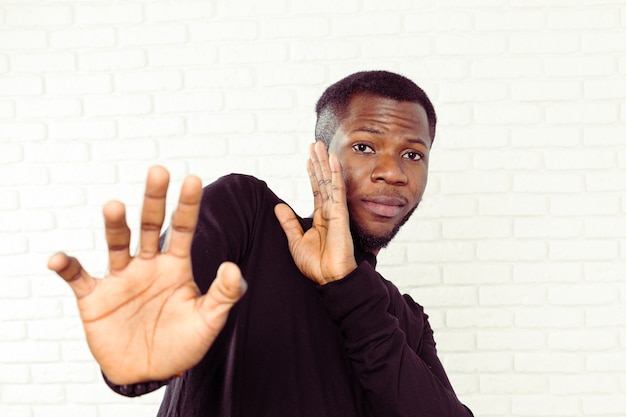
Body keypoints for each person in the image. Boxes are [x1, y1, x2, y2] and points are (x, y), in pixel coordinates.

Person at [48, 71, 473, 417]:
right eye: (364, 147)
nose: (392, 172)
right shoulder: (246, 213)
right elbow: (148, 345)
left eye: (413, 155)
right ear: (321, 156)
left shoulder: (406, 321)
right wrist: (136, 353)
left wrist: (345, 282)